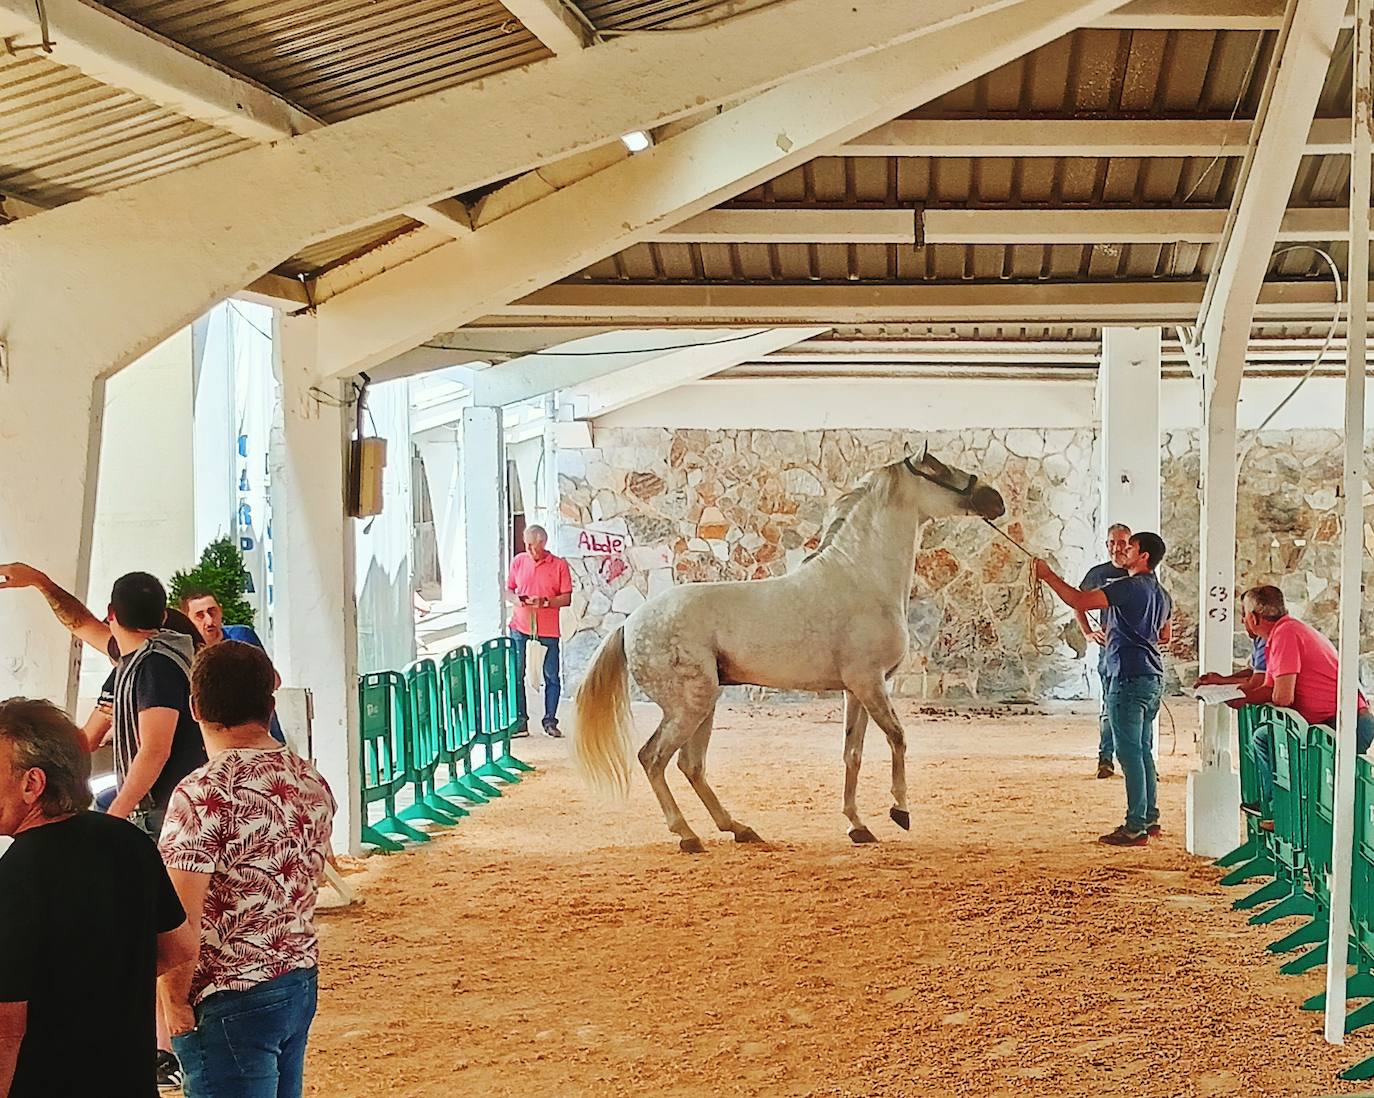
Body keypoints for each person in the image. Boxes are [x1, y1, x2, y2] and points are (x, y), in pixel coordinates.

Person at [159, 641, 335, 1098]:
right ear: (270, 704)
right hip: (297, 976)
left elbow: (180, 916)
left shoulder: (201, 793)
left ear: (194, 707)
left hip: (227, 993)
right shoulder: (309, 778)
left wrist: (173, 1001)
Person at [0, 698, 195, 1098]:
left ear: (32, 785)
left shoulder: (15, 874)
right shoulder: (129, 841)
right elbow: (180, 947)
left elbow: (6, 1028)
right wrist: (105, 983)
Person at [0, 565, 206, 835]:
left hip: (164, 812)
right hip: (164, 808)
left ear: (111, 613)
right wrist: (40, 582)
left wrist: (116, 816)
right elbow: (79, 623)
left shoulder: (155, 666)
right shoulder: (133, 660)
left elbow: (155, 750)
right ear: (163, 615)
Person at [1036, 532, 1173, 847]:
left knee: (1129, 754)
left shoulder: (1127, 587)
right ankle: (1150, 819)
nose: (1124, 550)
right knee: (1142, 751)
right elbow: (1164, 635)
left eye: (1131, 547)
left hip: (1127, 675)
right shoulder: (1162, 594)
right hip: (1152, 676)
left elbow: (1078, 601)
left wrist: (1047, 576)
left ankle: (1135, 826)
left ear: (1145, 557)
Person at [1229, 585, 1373, 814]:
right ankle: (1280, 812)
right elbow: (1268, 686)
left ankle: (1276, 810)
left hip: (1343, 724)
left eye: (1244, 615)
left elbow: (1282, 696)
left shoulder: (1286, 634)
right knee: (1266, 738)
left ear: (1254, 617)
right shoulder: (1280, 633)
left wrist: (1240, 697)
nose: (1243, 621)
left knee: (1265, 739)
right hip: (1333, 721)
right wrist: (1239, 695)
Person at [178, 588, 285, 744]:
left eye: (212, 611)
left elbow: (274, 681)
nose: (209, 620)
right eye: (200, 615)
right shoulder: (187, 652)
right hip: (219, 743)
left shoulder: (242, 636)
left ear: (221, 611)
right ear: (187, 620)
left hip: (264, 736)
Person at [505, 525, 573, 737]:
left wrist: (545, 602)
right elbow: (508, 589)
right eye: (527, 545)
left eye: (533, 545)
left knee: (551, 675)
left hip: (547, 631)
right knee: (517, 673)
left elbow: (566, 597)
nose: (529, 549)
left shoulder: (559, 565)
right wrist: (517, 600)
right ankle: (520, 721)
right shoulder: (518, 561)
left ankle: (550, 720)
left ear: (543, 543)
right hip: (520, 627)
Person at [1077, 523, 1131, 779]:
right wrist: (1088, 632)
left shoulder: (1138, 575)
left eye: (1122, 542)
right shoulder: (1098, 574)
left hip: (1134, 653)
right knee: (1109, 706)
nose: (1116, 547)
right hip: (1109, 652)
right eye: (1112, 542)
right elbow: (1078, 602)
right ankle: (1105, 759)